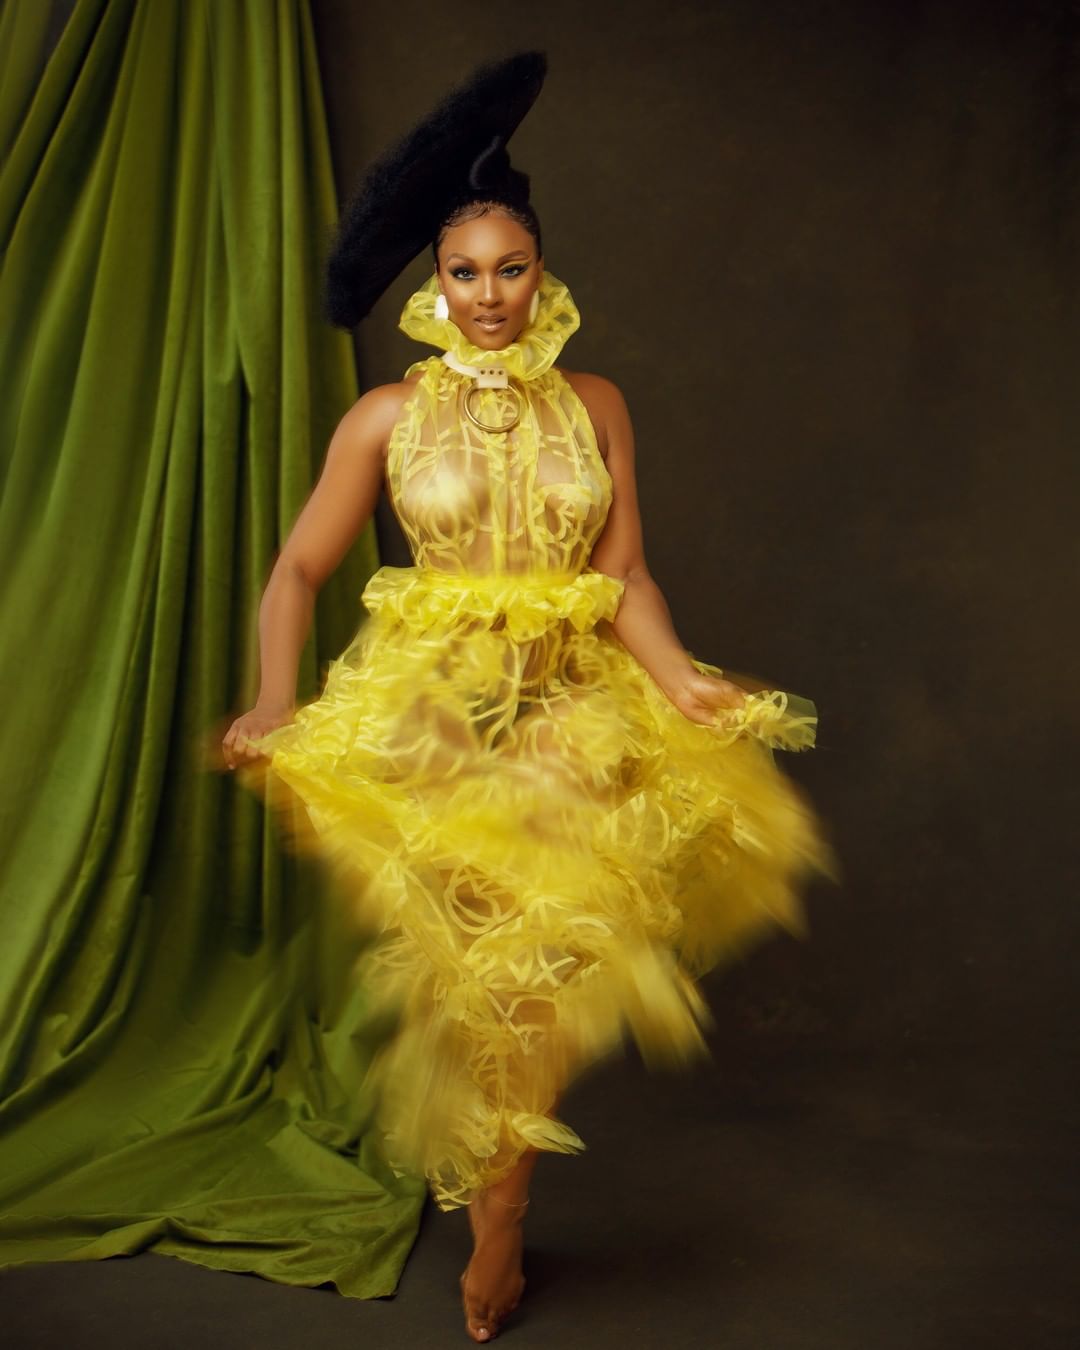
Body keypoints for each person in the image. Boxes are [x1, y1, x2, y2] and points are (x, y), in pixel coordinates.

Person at [219, 51, 838, 1343]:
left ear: (544, 274)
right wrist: (275, 698)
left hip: (569, 711)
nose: (490, 295)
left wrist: (683, 680)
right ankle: (486, 1189)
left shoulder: (599, 404)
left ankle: (500, 1218)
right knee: (471, 990)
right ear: (435, 284)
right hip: (434, 724)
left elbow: (624, 576)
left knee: (540, 982)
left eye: (512, 269)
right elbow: (296, 570)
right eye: (465, 272)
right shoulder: (385, 417)